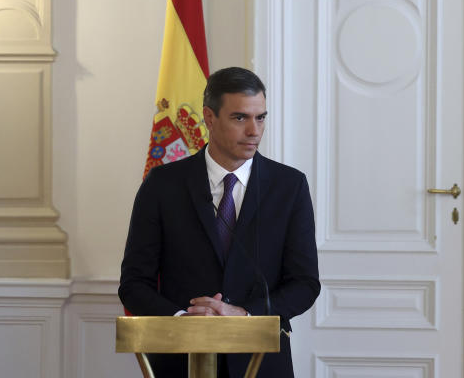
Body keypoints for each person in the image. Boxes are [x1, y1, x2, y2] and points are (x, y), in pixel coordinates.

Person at [120, 67, 320, 378]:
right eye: (240, 118)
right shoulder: (163, 185)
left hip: (260, 360)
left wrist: (243, 314)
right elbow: (134, 283)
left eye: (261, 117)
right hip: (181, 359)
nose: (254, 130)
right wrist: (184, 320)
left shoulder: (289, 186)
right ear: (210, 118)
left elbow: (305, 283)